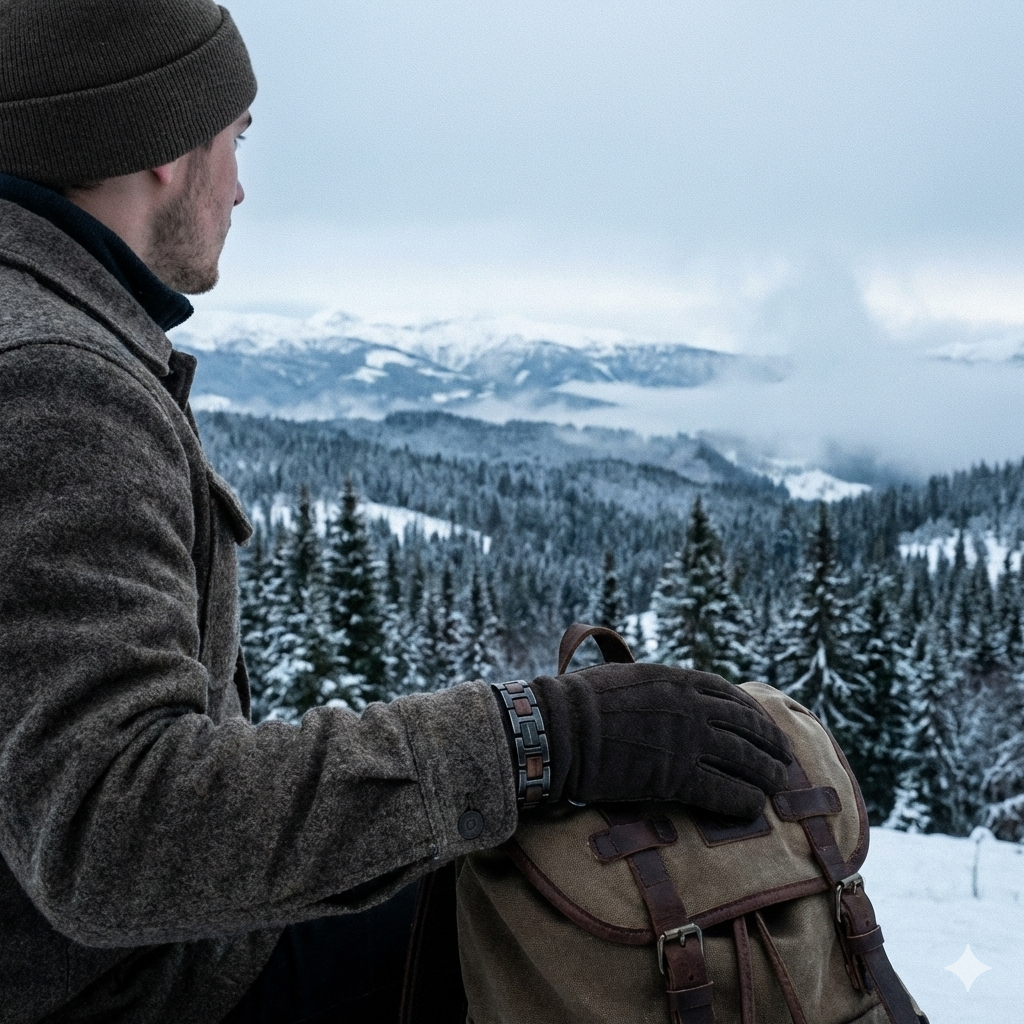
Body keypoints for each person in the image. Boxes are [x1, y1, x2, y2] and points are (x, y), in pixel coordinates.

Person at [0, 2, 793, 1022]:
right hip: (133, 989)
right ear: (160, 147)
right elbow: (117, 831)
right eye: (234, 141)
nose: (240, 186)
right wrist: (540, 737)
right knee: (578, 922)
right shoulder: (57, 386)